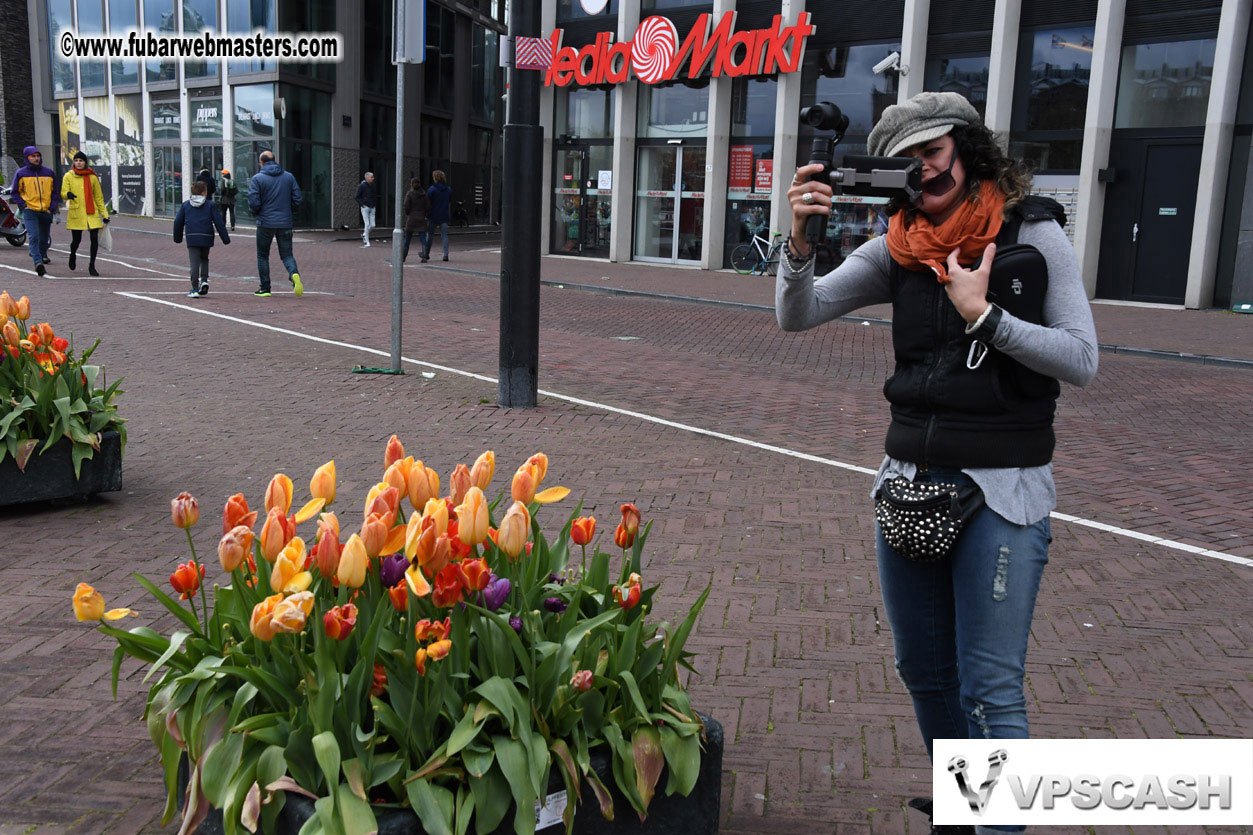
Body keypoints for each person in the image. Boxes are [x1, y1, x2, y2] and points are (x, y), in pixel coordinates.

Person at [775, 92, 1098, 835]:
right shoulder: (900, 244)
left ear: (964, 147)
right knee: (923, 671)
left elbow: (1081, 358)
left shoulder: (1030, 229)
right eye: (905, 160)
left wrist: (986, 316)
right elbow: (797, 313)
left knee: (989, 689)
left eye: (932, 149)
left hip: (1000, 493)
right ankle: (965, 807)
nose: (923, 168)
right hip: (911, 486)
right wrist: (798, 240)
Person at [247, 150, 303, 297]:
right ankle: (294, 274)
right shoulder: (288, 177)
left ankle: (265, 288)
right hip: (285, 222)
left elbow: (253, 202)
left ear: (261, 162)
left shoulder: (257, 179)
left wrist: (256, 212)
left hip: (265, 222)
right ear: (275, 160)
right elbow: (297, 199)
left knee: (262, 255)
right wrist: (289, 212)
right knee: (287, 255)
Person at [173, 179, 230, 297]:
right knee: (204, 259)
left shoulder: (186, 205)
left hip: (192, 237)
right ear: (204, 192)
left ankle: (194, 288)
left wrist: (177, 238)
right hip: (206, 236)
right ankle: (204, 280)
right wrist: (225, 238)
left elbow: (178, 222)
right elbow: (218, 222)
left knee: (194, 262)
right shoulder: (210, 205)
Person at [10, 146, 59, 276]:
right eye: (33, 156)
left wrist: (52, 208)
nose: (36, 158)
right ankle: (38, 263)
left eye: (38, 156)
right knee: (34, 237)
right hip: (30, 210)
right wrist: (23, 205)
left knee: (44, 239)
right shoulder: (21, 173)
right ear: (27, 158)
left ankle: (42, 255)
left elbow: (55, 192)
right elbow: (14, 192)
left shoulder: (49, 172)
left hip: (46, 211)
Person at [61, 151, 110, 276]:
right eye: (76, 160)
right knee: (76, 240)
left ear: (85, 162)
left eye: (81, 161)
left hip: (91, 212)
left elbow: (99, 197)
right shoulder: (68, 176)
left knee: (94, 239)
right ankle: (72, 254)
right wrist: (68, 195)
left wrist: (105, 215)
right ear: (73, 162)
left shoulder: (92, 177)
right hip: (77, 212)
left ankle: (92, 265)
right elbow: (63, 191)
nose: (78, 163)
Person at [422, 170, 452, 262]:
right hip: (444, 215)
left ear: (435, 178)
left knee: (430, 235)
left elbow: (427, 202)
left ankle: (426, 254)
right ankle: (446, 255)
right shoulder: (448, 189)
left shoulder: (432, 189)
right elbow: (449, 201)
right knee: (444, 235)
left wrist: (426, 213)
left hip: (433, 216)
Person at [401, 177, 429, 263]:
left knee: (407, 239)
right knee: (423, 238)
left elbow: (406, 205)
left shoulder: (410, 194)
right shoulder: (424, 194)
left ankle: (403, 257)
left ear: (412, 185)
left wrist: (408, 213)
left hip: (412, 219)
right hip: (421, 218)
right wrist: (426, 216)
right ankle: (424, 256)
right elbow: (428, 207)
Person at [355, 171, 377, 247]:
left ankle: (364, 234)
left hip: (372, 207)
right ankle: (366, 242)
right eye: (372, 177)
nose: (373, 179)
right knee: (367, 224)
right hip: (365, 207)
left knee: (373, 225)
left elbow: (374, 195)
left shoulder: (372, 186)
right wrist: (362, 205)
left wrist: (374, 204)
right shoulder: (361, 186)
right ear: (367, 178)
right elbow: (357, 197)